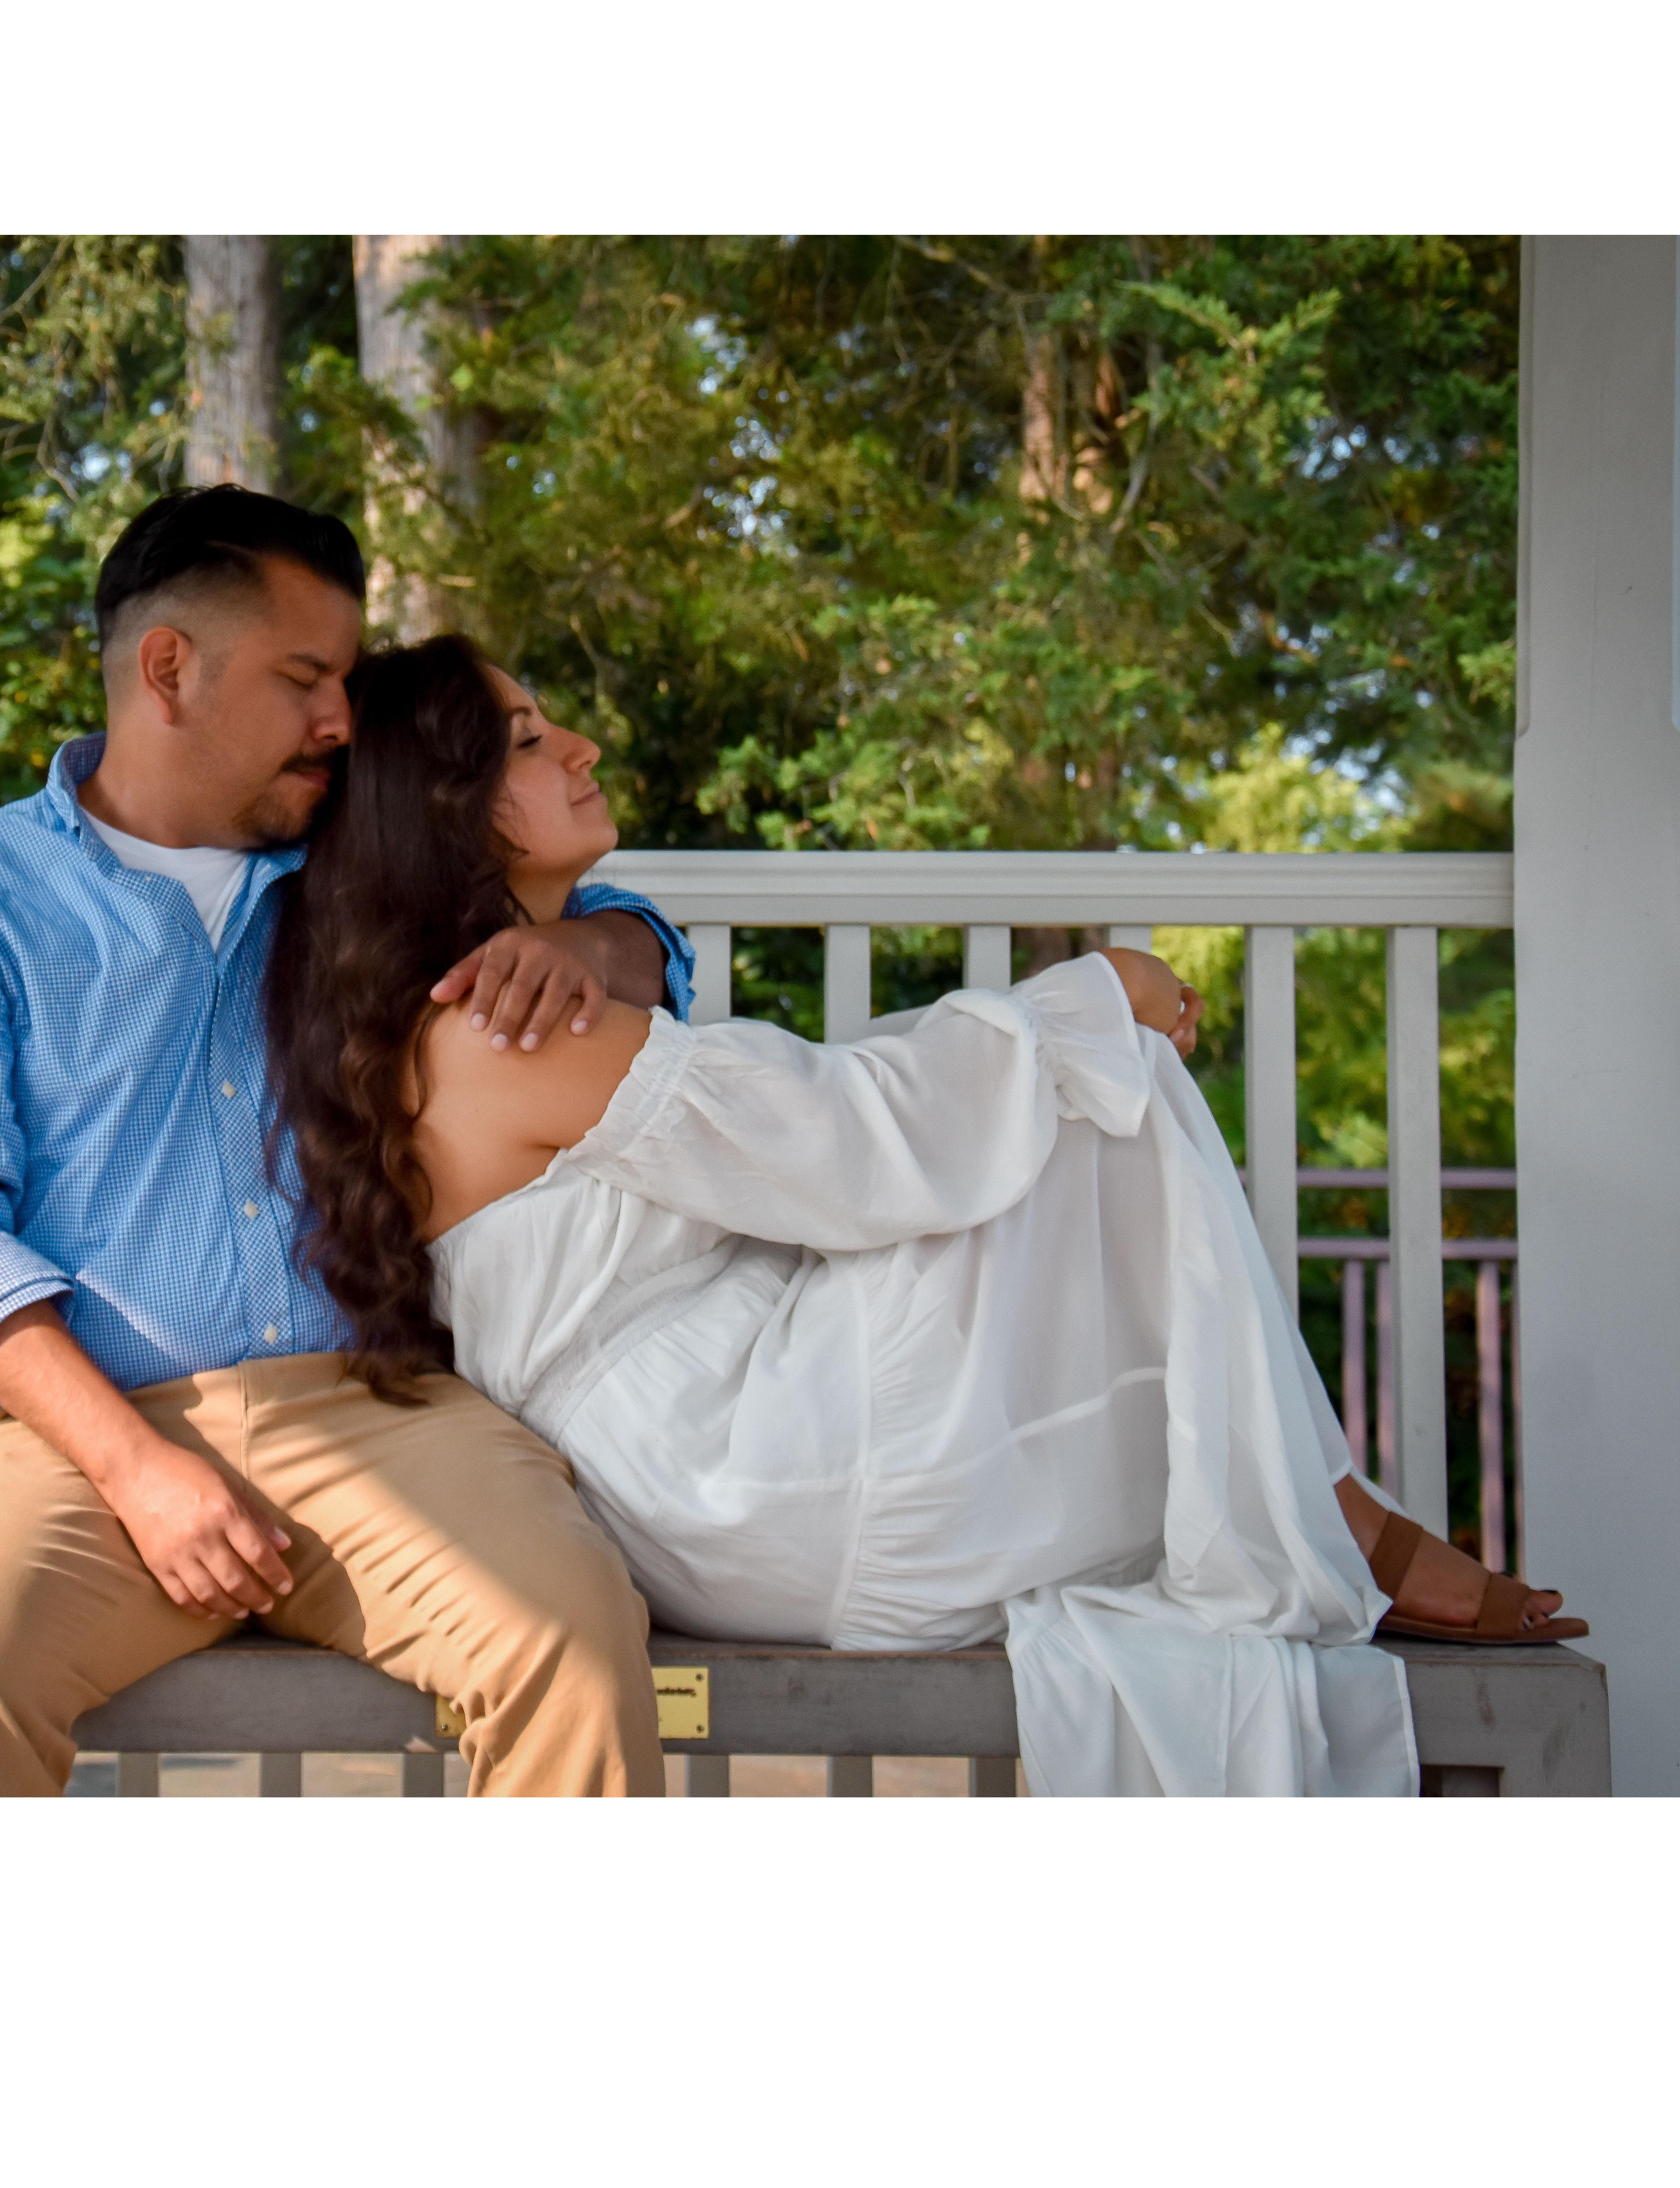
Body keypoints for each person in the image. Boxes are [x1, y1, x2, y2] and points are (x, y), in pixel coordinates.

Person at [267, 634, 1588, 1797]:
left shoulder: (502, 1004)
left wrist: (1061, 1026)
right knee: (1094, 1089)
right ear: (452, 807)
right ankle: (1323, 1507)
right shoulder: (501, 1030)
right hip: (742, 1469)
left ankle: (1317, 1501)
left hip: (713, 1459)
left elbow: (818, 1122)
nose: (581, 747)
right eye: (528, 738)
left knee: (1067, 1088)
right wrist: (1084, 1001)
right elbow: (840, 1140)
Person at [0, 489, 695, 1796]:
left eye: (343, 681)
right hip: (65, 1444)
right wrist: (139, 1471)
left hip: (378, 1410)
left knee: (571, 1646)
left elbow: (637, 934)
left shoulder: (354, 856)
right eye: (305, 679)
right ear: (168, 669)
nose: (341, 719)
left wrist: (590, 943)